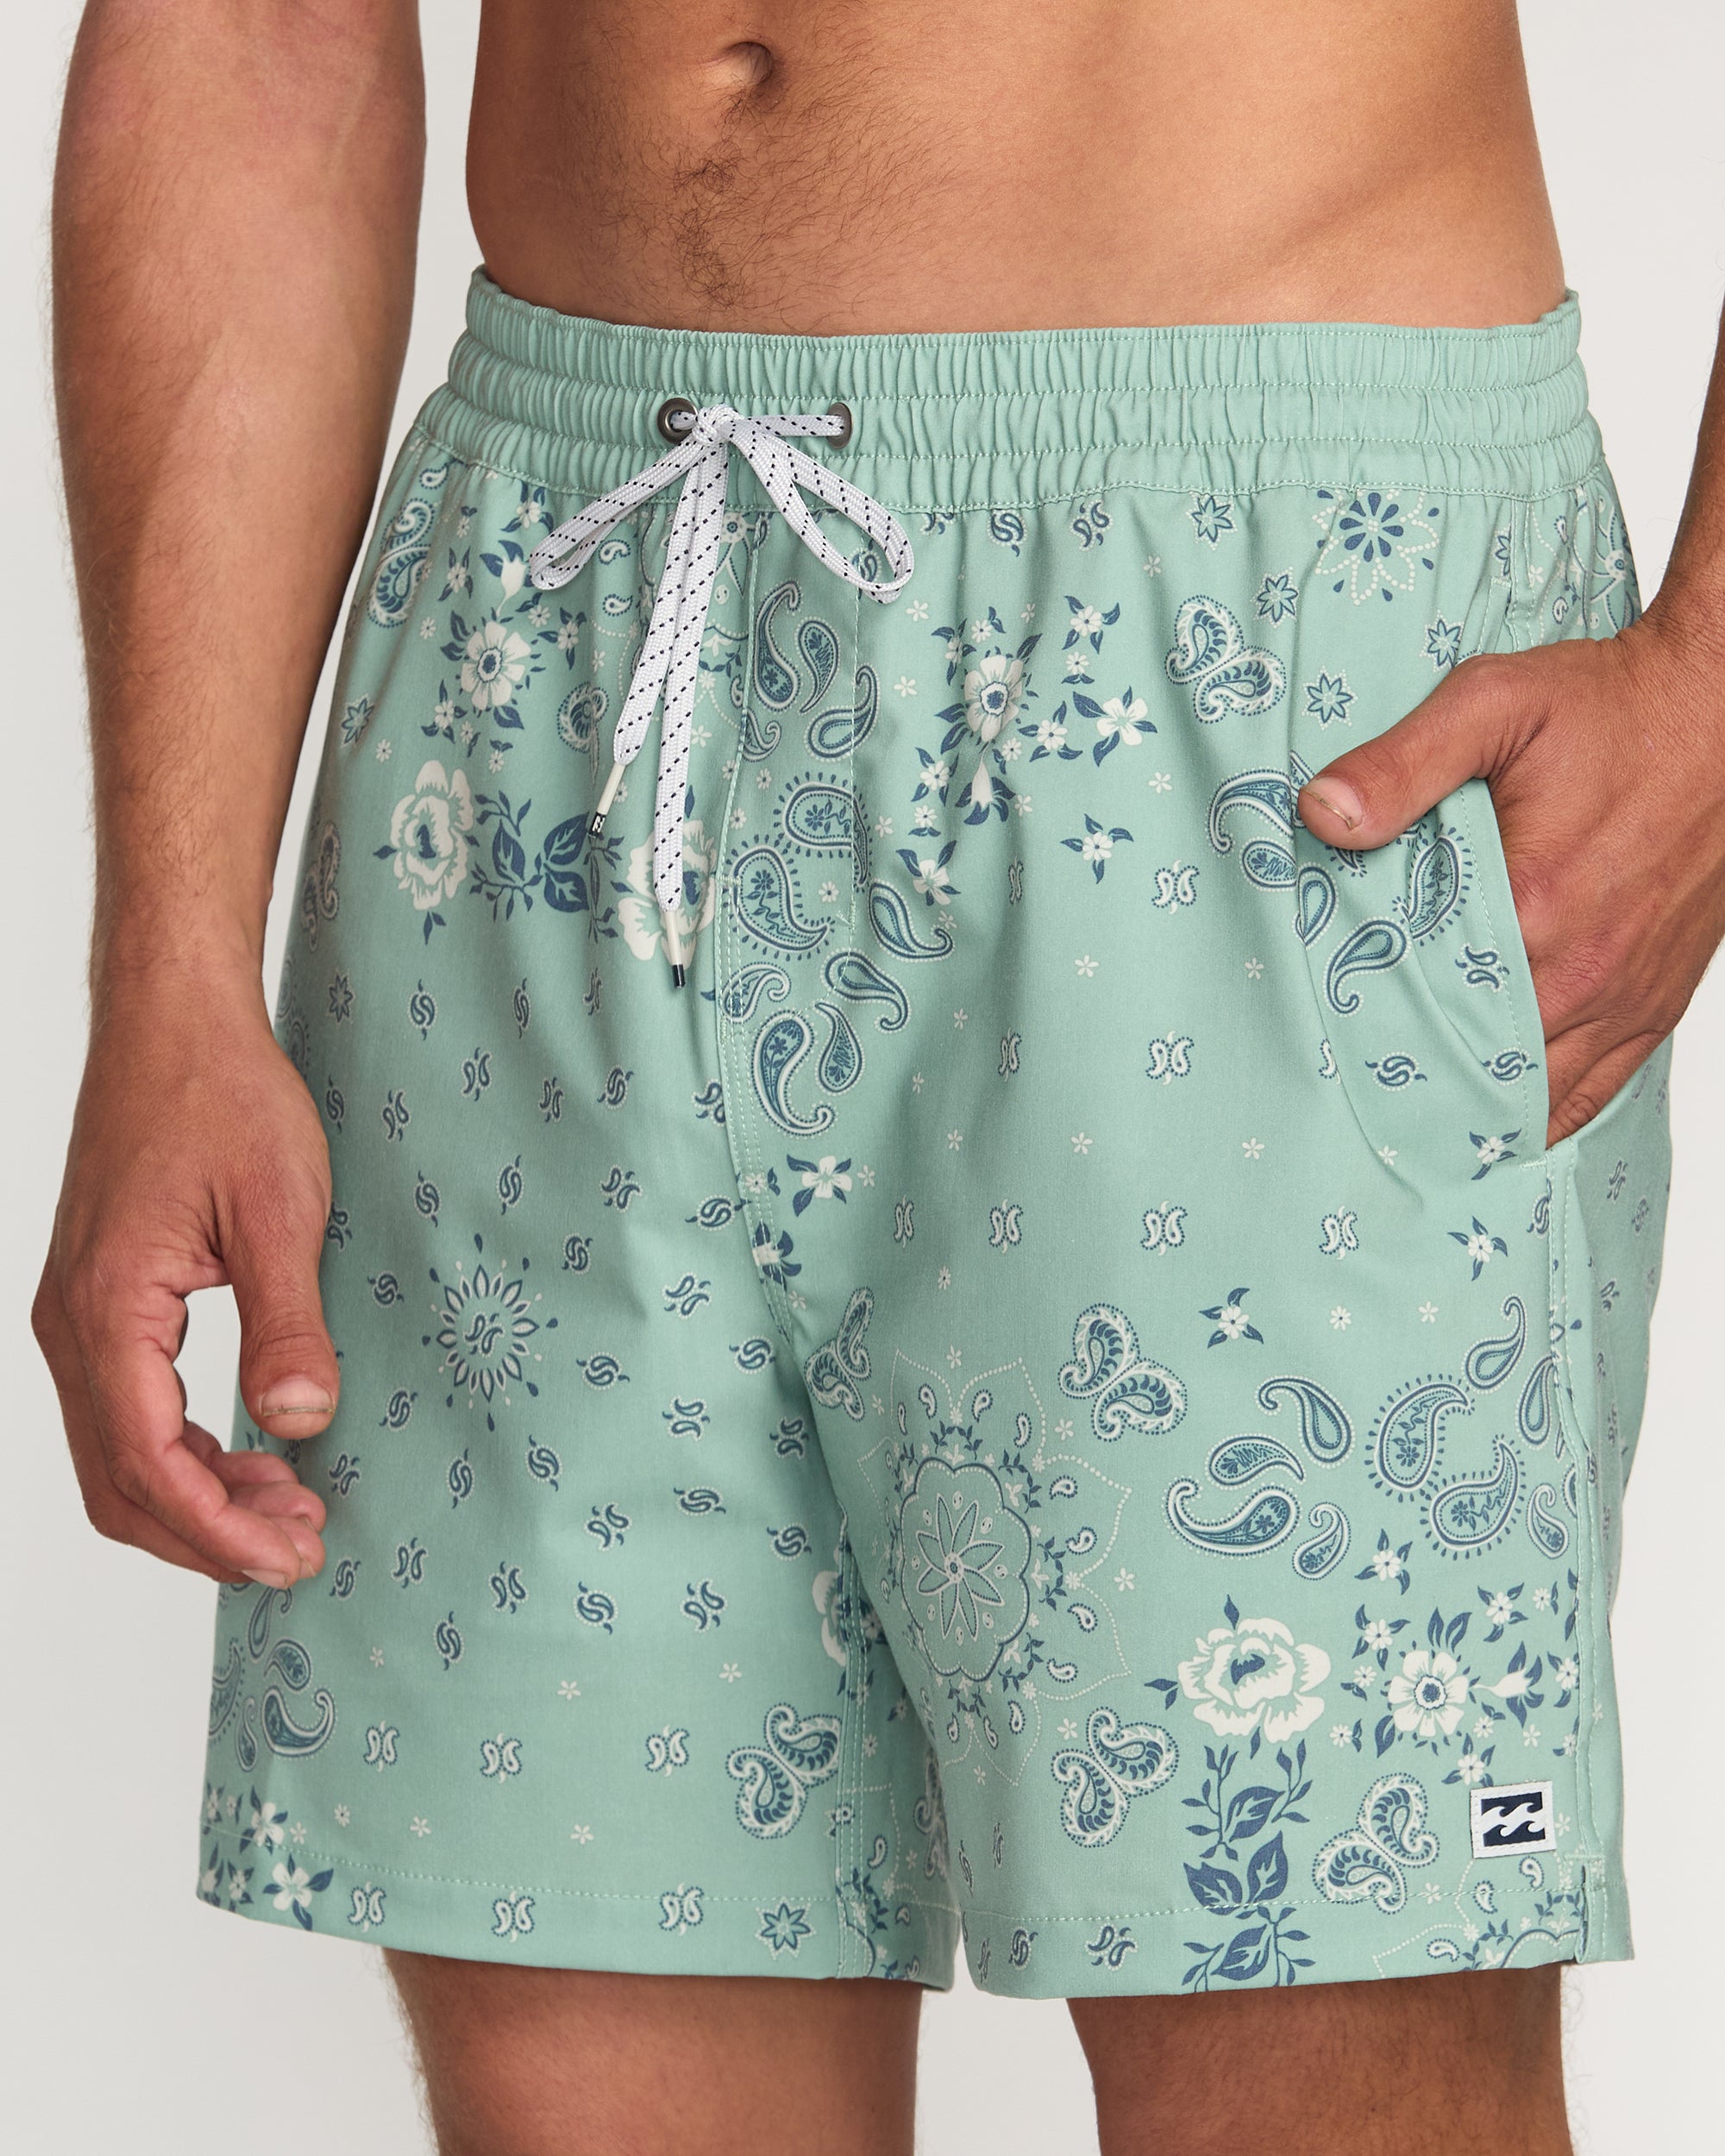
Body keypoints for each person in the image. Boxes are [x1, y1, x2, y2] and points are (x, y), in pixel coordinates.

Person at [34, 3, 1719, 2151]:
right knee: (588, 2079)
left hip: (1249, 670)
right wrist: (169, 962)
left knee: (1322, 2076)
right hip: (556, 650)